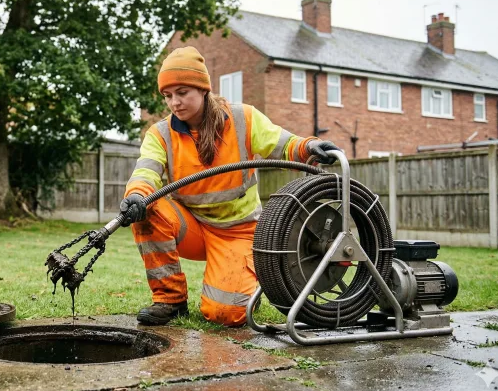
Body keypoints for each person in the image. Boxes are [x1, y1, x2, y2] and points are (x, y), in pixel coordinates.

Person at [120, 46, 342, 327]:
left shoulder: (243, 119)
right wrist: (136, 195)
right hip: (193, 228)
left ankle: (246, 283)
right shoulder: (160, 134)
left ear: (203, 89)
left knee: (224, 313)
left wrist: (310, 146)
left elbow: (283, 144)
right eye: (168, 96)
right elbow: (146, 170)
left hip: (238, 232)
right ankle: (170, 300)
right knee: (147, 207)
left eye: (182, 93)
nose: (174, 102)